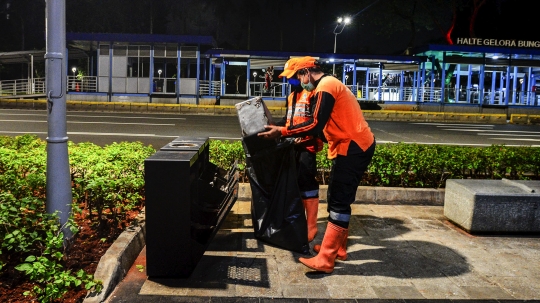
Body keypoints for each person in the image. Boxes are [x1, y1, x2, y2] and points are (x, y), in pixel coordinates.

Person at [258, 56, 376, 274]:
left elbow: (314, 124)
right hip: (350, 146)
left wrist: (282, 132)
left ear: (306, 72)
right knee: (338, 198)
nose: (296, 82)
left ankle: (326, 259)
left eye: (296, 77)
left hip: (354, 146)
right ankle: (338, 249)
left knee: (338, 200)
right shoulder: (325, 86)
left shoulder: (326, 86)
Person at [275, 58, 323, 242]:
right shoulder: (291, 96)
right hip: (292, 147)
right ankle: (298, 221)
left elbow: (316, 122)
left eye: (293, 77)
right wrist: (272, 127)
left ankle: (311, 226)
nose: (291, 81)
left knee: (307, 183)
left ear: (302, 74)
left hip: (307, 147)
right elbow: (289, 120)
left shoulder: (313, 94)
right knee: (294, 183)